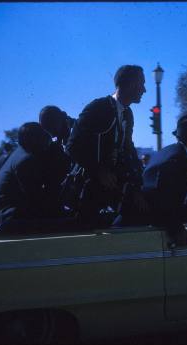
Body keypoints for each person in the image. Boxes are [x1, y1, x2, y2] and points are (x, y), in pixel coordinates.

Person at [66, 65, 148, 226]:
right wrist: (99, 171)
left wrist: (137, 185)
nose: (144, 90)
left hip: (112, 184)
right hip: (90, 186)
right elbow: (72, 145)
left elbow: (128, 149)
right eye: (142, 84)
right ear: (130, 84)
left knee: (141, 211)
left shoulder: (127, 114)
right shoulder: (99, 107)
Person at [0, 122, 70, 227]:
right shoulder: (26, 160)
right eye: (43, 136)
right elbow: (35, 197)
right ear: (36, 140)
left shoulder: (20, 153)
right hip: (4, 215)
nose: (47, 140)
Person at [142, 114, 187, 248]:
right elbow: (165, 199)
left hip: (141, 221)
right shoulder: (178, 159)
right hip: (148, 228)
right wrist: (177, 230)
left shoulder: (169, 152)